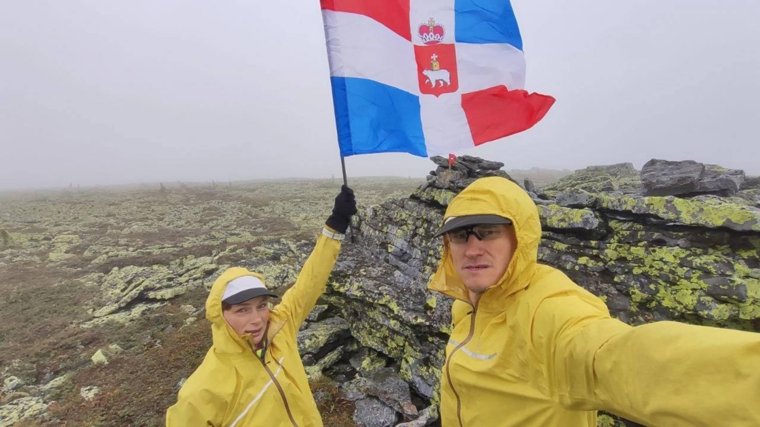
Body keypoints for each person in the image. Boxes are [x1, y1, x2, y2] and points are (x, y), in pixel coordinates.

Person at [427, 176, 760, 426]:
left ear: (521, 237)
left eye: (487, 232)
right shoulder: (468, 304)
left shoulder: (547, 307)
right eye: (459, 236)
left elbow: (612, 355)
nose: (471, 249)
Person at [166, 185, 357, 427]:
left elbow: (309, 283)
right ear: (221, 315)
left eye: (261, 305)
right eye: (242, 309)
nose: (257, 319)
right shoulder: (202, 391)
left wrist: (336, 224)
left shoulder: (280, 329)